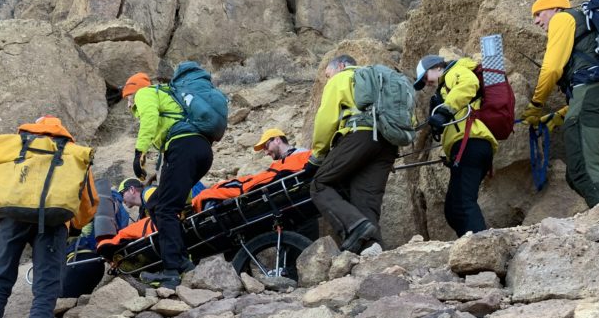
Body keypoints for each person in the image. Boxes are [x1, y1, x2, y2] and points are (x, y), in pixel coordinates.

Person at [0, 116, 97, 318]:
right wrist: (74, 226)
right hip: (54, 224)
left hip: (11, 219)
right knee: (45, 290)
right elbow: (89, 199)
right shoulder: (70, 153)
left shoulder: (13, 147)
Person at [523, 0, 599, 207]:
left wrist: (536, 105)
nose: (536, 22)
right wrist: (559, 115)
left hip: (592, 96)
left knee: (583, 172)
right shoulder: (587, 25)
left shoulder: (563, 19)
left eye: (539, 14)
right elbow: (591, 76)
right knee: (579, 172)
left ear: (555, 8)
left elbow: (551, 70)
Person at [124, 72, 212, 288]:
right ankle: (183, 262)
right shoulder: (167, 95)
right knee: (156, 204)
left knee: (165, 209)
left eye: (127, 97)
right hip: (200, 150)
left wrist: (139, 153)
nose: (127, 103)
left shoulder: (144, 93)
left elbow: (150, 119)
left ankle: (172, 271)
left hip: (183, 147)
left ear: (133, 91)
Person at [308, 54, 397, 253]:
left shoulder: (341, 78)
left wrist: (318, 154)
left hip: (361, 136)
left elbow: (326, 120)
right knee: (365, 198)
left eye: (328, 74)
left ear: (339, 66)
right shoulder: (379, 79)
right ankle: (373, 250)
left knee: (319, 184)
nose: (328, 79)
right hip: (389, 142)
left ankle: (354, 227)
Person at [414, 55, 498, 236]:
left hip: (471, 142)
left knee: (462, 204)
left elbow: (468, 84)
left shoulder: (454, 72)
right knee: (453, 209)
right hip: (468, 146)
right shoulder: (445, 86)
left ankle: (481, 246)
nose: (426, 83)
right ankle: (469, 246)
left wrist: (444, 111)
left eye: (425, 77)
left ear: (437, 68)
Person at [191, 128, 311, 212]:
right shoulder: (289, 161)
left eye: (266, 146)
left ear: (277, 140)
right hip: (255, 186)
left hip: (247, 189)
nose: (266, 152)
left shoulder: (299, 156)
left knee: (201, 190)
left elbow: (254, 184)